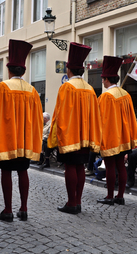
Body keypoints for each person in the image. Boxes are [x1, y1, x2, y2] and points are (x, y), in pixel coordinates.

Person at [0, 39, 43, 222]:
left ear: (9, 69)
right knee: (23, 171)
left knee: (6, 172)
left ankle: (8, 210)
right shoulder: (32, 91)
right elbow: (38, 118)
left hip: (8, 139)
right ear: (24, 71)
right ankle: (24, 208)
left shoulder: (2, 87)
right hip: (25, 140)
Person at [48, 42, 102, 214]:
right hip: (86, 135)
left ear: (69, 70)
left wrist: (56, 135)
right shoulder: (90, 89)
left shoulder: (66, 87)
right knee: (80, 167)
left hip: (70, 135)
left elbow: (59, 114)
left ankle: (71, 203)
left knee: (70, 167)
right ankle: (78, 201)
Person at [96, 56, 137, 205]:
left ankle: (109, 196)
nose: (102, 81)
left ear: (107, 79)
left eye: (103, 79)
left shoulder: (106, 96)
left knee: (109, 166)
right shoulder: (126, 94)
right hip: (124, 137)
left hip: (111, 136)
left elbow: (100, 119)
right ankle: (120, 196)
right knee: (121, 165)